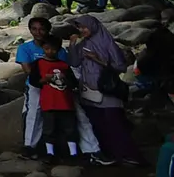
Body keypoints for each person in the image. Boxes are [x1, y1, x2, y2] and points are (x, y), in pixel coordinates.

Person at [15, 17, 109, 164]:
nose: (38, 32)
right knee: (34, 112)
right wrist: (46, 79)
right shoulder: (25, 48)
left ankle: (92, 149)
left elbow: (67, 68)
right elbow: (29, 71)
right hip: (38, 86)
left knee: (79, 113)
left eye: (42, 29)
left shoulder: (58, 48)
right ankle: (30, 147)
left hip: (62, 87)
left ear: (48, 30)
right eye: (34, 29)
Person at [69, 16, 143, 165]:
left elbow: (121, 67)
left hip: (107, 90)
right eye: (79, 28)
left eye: (84, 27)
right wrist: (72, 45)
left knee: (115, 122)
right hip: (88, 90)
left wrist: (98, 59)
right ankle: (108, 155)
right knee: (97, 123)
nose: (82, 30)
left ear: (93, 26)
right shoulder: (83, 44)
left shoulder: (108, 43)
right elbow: (74, 62)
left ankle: (129, 155)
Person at [31, 37, 80, 162]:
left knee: (70, 128)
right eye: (47, 49)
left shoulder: (64, 65)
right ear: (43, 48)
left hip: (65, 102)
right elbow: (34, 81)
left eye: (53, 49)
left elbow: (74, 83)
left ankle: (73, 154)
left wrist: (65, 79)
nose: (50, 52)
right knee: (49, 129)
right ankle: (50, 153)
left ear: (58, 50)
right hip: (49, 102)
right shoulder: (39, 63)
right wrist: (45, 80)